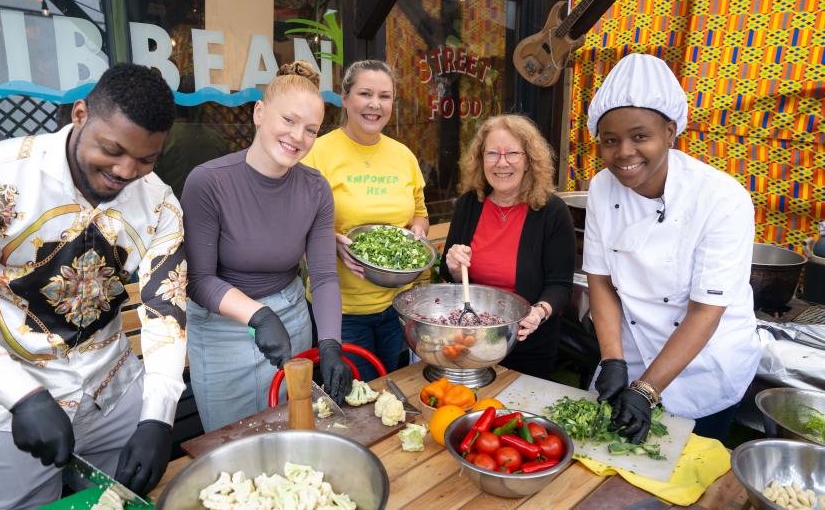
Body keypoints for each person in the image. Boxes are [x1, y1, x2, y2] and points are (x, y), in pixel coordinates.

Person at [0, 63, 186, 509]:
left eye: (146, 158)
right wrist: (18, 394)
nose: (126, 170)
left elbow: (165, 310)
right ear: (79, 115)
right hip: (7, 406)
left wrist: (158, 418)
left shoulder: (161, 203)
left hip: (112, 395)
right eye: (112, 149)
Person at [583, 53, 760, 444]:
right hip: (632, 348)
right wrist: (612, 359)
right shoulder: (600, 188)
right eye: (610, 141)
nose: (624, 152)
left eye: (640, 136)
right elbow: (601, 281)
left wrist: (646, 390)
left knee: (684, 471)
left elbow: (705, 311)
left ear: (670, 131)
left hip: (705, 364)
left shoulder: (722, 198)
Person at [182, 61, 352, 432]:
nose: (298, 137)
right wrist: (257, 315)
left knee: (293, 430)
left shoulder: (316, 188)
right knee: (233, 440)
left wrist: (330, 345)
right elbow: (199, 280)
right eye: (288, 121)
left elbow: (323, 276)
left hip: (291, 318)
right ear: (259, 113)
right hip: (222, 328)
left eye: (310, 129)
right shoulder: (208, 182)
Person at [302, 60, 429, 381]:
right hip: (341, 311)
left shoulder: (404, 155)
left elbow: (420, 213)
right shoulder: (317, 152)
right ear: (345, 98)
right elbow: (292, 224)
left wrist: (417, 230)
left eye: (384, 96)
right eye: (365, 94)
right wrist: (326, 240)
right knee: (355, 398)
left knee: (389, 387)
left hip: (397, 305)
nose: (375, 104)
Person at [439, 114, 576, 378]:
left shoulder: (551, 211)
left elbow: (560, 285)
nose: (502, 163)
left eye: (512, 153)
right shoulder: (469, 204)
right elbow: (451, 275)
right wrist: (455, 267)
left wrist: (539, 312)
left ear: (528, 160)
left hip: (526, 341)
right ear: (481, 160)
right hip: (471, 338)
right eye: (492, 154)